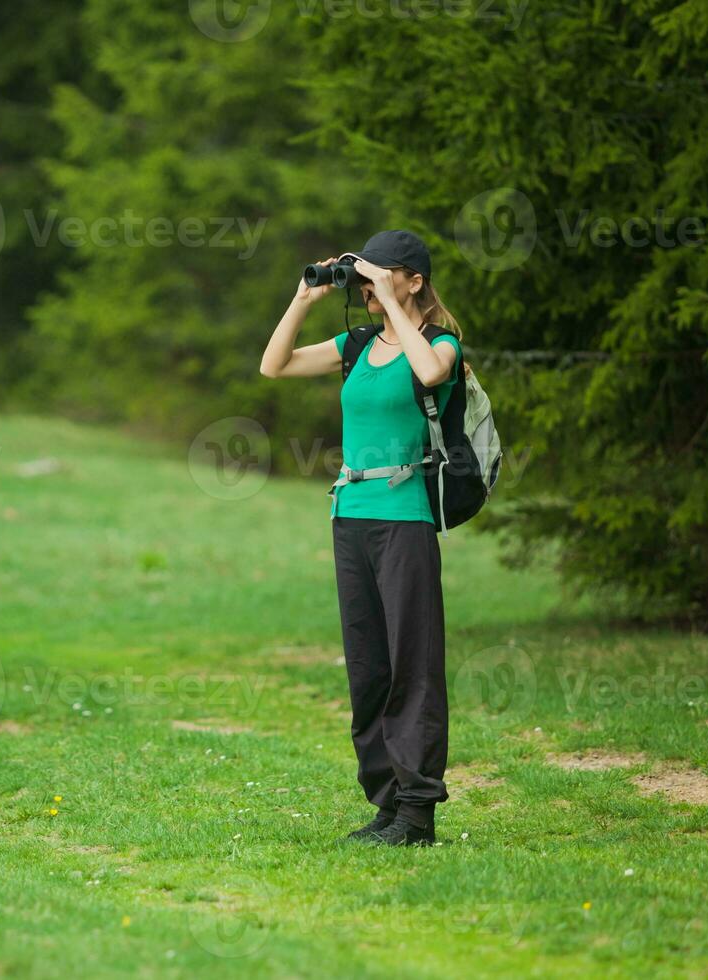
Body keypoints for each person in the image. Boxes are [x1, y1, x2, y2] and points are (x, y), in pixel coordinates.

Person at [258, 230, 462, 846]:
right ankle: (387, 802)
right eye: (364, 277)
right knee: (369, 667)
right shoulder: (355, 345)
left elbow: (429, 372)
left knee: (412, 665)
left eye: (382, 275)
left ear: (414, 280)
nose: (368, 287)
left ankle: (418, 813)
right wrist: (302, 299)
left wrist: (394, 304)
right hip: (350, 514)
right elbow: (275, 366)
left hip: (405, 519)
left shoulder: (442, 343)